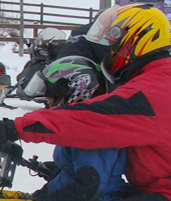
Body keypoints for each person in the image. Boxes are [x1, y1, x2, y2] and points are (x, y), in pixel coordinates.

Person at [0, 4, 171, 201]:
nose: (108, 54)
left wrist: (15, 128)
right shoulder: (159, 79)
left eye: (113, 45)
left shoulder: (154, 90)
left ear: (138, 41)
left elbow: (89, 120)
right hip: (170, 189)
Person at [26, 55, 129, 201]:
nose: (48, 108)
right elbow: (75, 174)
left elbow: (90, 186)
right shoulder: (80, 127)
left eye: (51, 101)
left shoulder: (94, 133)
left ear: (74, 93)